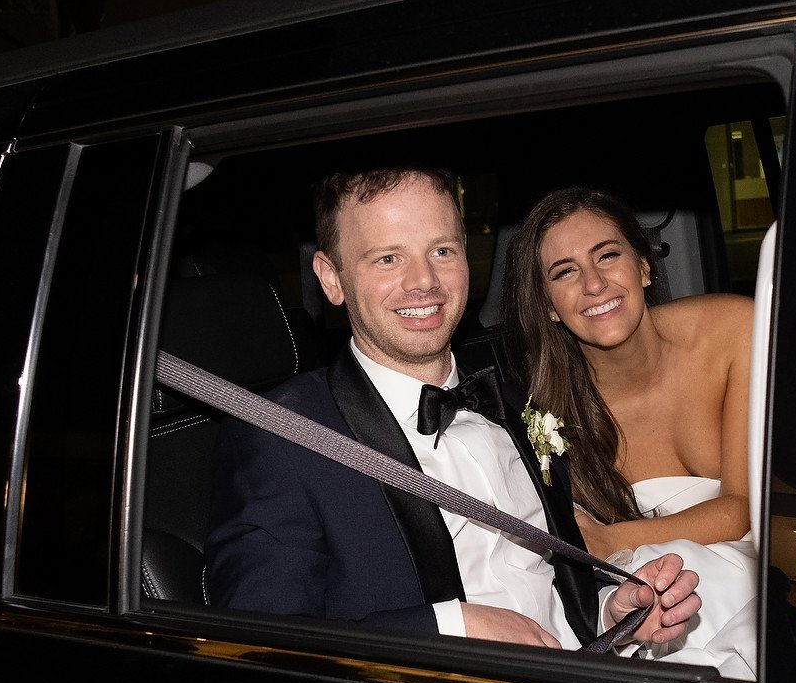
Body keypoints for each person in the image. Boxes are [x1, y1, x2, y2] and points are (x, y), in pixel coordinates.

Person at [203, 165, 701, 655]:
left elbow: (547, 583)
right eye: (387, 259)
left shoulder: (512, 405)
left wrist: (613, 611)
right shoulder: (280, 437)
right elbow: (259, 645)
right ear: (331, 279)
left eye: (441, 251)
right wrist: (448, 626)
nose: (424, 281)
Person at [500, 185, 758, 679]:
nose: (594, 284)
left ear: (643, 266)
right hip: (650, 600)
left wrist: (613, 539)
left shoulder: (732, 330)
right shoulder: (546, 414)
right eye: (565, 272)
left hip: (758, 564)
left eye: (607, 256)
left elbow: (741, 510)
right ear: (550, 305)